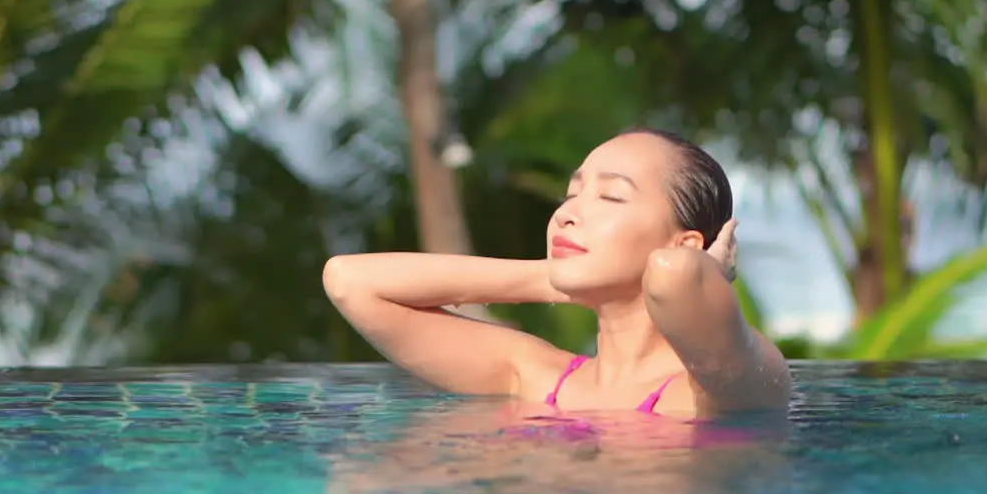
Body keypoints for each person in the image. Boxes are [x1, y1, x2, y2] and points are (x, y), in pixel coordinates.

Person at [322, 127, 793, 418]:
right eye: (572, 193)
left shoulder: (722, 387)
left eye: (610, 196)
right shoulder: (537, 377)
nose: (567, 213)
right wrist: (555, 277)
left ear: (688, 244)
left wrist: (701, 270)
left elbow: (675, 276)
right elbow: (349, 281)